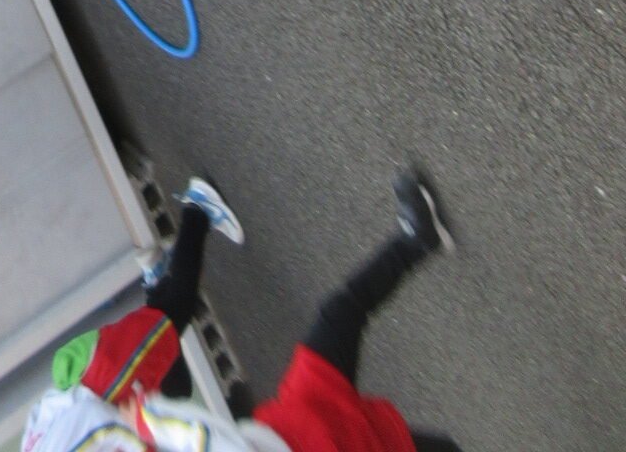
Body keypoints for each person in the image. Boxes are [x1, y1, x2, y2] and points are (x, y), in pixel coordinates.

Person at [22, 168, 460, 452]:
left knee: (340, 316)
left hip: (285, 429)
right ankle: (417, 240)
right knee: (340, 320)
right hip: (302, 442)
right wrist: (147, 421)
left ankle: (419, 240)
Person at [52, 175, 245, 409]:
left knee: (177, 309)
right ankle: (157, 283)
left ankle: (199, 209)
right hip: (88, 385)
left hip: (102, 381)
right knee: (175, 391)